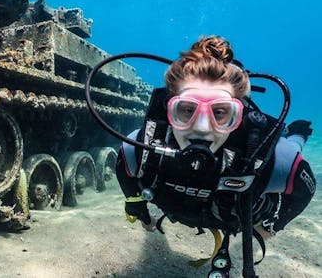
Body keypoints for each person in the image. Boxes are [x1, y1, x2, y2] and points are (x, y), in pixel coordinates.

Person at [115, 35, 316, 275]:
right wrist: (136, 207)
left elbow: (306, 189)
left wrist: (272, 226)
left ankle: (297, 133)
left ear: (237, 116)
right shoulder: (139, 147)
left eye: (220, 112)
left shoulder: (275, 159)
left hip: (243, 209)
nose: (201, 128)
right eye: (187, 110)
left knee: (290, 144)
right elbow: (124, 171)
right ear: (170, 111)